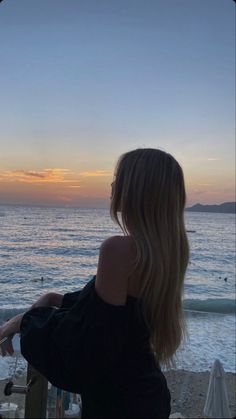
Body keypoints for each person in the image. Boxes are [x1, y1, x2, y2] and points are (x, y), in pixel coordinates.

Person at [0, 148, 189, 418]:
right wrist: (53, 298)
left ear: (137, 188)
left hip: (118, 403)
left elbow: (88, 349)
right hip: (148, 394)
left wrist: (24, 322)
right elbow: (116, 317)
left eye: (118, 177)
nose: (112, 184)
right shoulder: (167, 253)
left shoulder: (119, 249)